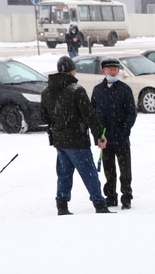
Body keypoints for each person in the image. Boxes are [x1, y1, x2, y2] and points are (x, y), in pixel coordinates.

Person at [40, 55, 110, 215]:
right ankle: (100, 205)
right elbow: (89, 116)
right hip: (77, 140)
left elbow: (44, 117)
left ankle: (62, 205)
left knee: (64, 174)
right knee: (89, 174)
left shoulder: (46, 92)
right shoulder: (76, 90)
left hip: (59, 141)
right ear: (72, 71)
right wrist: (100, 135)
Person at [91, 57, 138, 210]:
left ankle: (126, 197)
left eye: (115, 69)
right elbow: (93, 115)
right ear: (103, 71)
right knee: (109, 170)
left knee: (125, 171)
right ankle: (110, 196)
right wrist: (98, 136)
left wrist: (124, 131)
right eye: (110, 69)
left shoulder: (124, 89)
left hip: (121, 138)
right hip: (105, 138)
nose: (113, 71)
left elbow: (131, 113)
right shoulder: (98, 90)